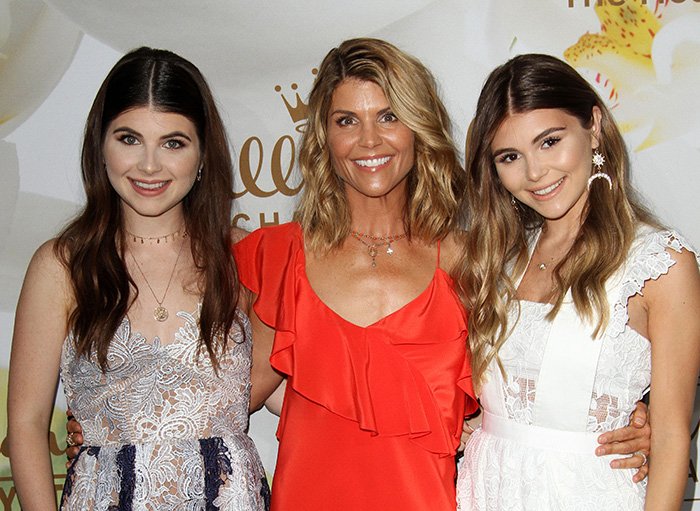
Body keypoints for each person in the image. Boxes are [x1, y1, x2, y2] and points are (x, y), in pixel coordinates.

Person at [233, 39, 651, 510]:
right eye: (346, 120)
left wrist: (636, 421)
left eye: (389, 116)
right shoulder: (279, 257)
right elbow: (226, 400)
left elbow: (540, 377)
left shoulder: (473, 262)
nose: (369, 140)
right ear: (324, 138)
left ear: (418, 127)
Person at [7, 47, 269, 510]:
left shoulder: (243, 257)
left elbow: (288, 386)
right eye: (129, 139)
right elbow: (27, 423)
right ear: (100, 145)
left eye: (173, 143)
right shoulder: (63, 266)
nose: (149, 165)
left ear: (203, 152)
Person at [454, 53, 700, 510]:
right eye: (511, 156)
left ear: (594, 125)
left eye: (549, 141)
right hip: (485, 490)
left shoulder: (659, 263)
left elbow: (669, 438)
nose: (535, 173)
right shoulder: (495, 259)